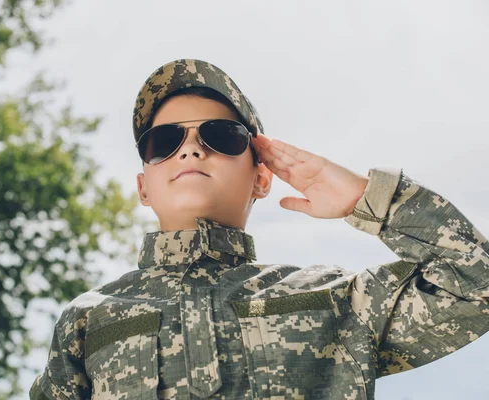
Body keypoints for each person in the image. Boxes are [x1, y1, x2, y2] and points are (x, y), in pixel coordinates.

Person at [30, 59, 489, 399]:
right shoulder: (91, 320)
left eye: (220, 136)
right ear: (143, 187)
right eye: (164, 142)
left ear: (261, 176)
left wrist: (366, 199)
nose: (190, 150)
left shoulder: (334, 299)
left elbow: (477, 284)